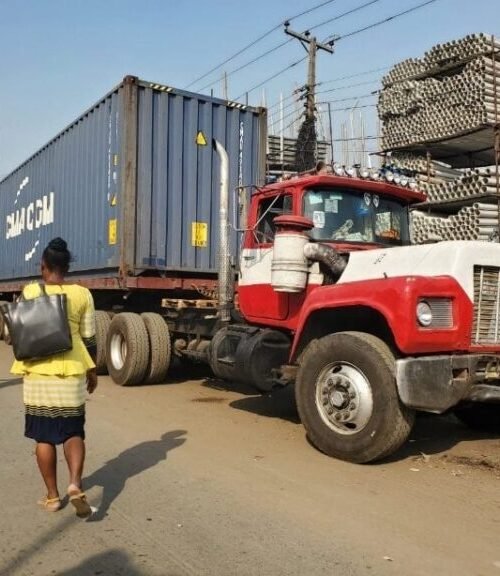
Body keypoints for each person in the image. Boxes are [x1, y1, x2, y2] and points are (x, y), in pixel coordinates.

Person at [11, 237, 98, 518]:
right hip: (71, 372)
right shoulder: (83, 295)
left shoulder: (31, 291)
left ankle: (52, 496)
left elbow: (21, 331)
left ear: (44, 265)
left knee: (43, 437)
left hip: (38, 374)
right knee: (73, 432)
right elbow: (89, 339)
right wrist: (92, 370)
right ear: (67, 267)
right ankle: (74, 484)